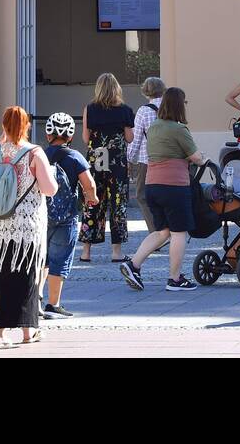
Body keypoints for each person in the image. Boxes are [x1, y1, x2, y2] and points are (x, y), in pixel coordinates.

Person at [0, 105, 57, 348]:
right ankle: (28, 331)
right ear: (27, 126)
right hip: (26, 227)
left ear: (3, 125)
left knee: (1, 279)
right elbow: (49, 189)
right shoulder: (34, 152)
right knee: (28, 277)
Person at [120, 87, 205, 293]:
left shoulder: (154, 127)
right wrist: (202, 157)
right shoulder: (179, 129)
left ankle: (134, 265)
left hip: (153, 185)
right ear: (178, 105)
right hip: (174, 186)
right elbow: (196, 158)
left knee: (162, 231)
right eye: (184, 103)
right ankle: (174, 279)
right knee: (178, 233)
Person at [42, 112, 97, 319]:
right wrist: (92, 198)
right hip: (66, 217)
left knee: (41, 259)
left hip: (41, 217)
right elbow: (89, 184)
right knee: (60, 259)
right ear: (71, 136)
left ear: (48, 135)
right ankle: (53, 304)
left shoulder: (40, 155)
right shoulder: (75, 157)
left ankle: (36, 301)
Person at [80, 72, 135, 263]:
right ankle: (116, 252)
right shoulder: (125, 110)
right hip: (117, 163)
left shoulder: (90, 109)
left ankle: (86, 252)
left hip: (95, 161)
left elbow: (86, 138)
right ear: (116, 89)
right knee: (117, 205)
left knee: (92, 202)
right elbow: (130, 138)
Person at [127, 77, 165, 238]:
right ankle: (169, 228)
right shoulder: (169, 106)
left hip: (147, 159)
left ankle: (157, 233)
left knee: (142, 194)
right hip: (170, 158)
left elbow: (135, 139)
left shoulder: (143, 111)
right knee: (165, 194)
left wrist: (129, 158)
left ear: (145, 91)